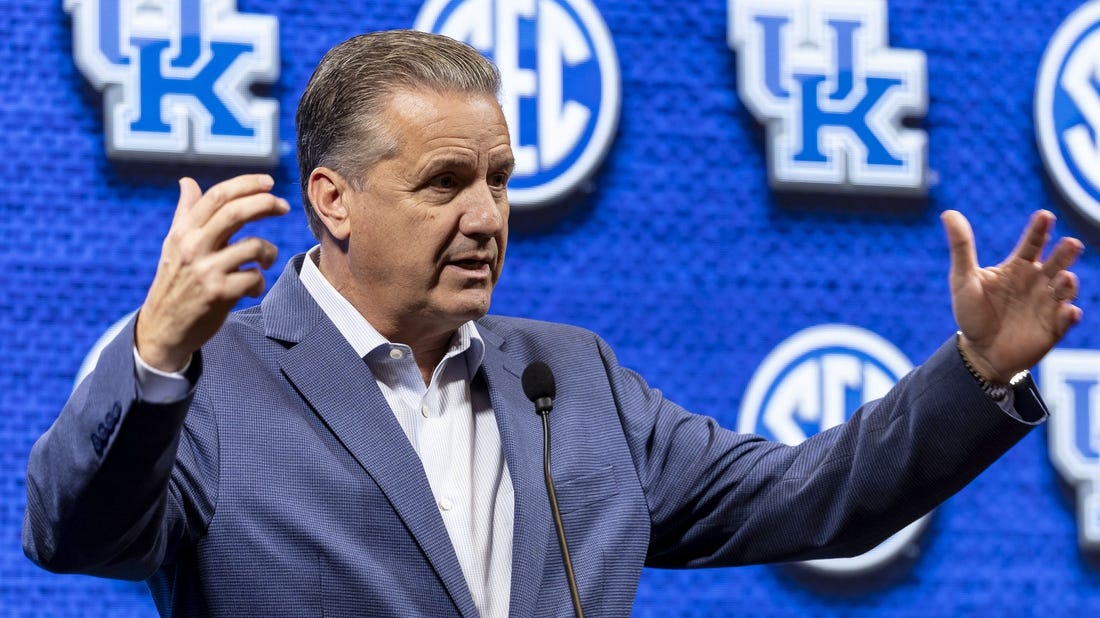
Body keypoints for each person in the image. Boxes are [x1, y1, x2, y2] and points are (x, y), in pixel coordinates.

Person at [23, 29, 1083, 618]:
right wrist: (158, 354)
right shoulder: (216, 383)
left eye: (497, 180)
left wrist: (974, 369)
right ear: (332, 199)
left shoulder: (567, 379)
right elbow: (75, 535)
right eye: (443, 183)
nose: (485, 217)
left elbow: (812, 503)